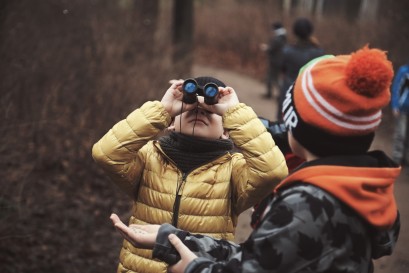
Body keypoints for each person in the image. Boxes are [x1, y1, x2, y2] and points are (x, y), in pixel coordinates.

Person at [110, 47, 401, 273]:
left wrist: (194, 266)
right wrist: (174, 238)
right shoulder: (357, 190)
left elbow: (271, 174)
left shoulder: (304, 201)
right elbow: (107, 154)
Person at [92, 76, 288, 273]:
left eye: (210, 112)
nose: (200, 111)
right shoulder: (148, 158)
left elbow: (272, 170)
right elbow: (107, 153)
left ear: (226, 132)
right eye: (190, 108)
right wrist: (163, 110)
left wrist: (234, 113)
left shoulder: (234, 171)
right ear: (170, 122)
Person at [276, 17, 324, 121]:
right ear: (310, 32)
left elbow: (281, 69)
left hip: (288, 92)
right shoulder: (319, 52)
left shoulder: (287, 51)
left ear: (295, 32)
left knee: (281, 125)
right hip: (308, 95)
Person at [260, 21, 287, 99]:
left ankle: (272, 94)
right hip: (280, 61)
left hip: (275, 61)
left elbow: (272, 48)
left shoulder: (278, 38)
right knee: (276, 78)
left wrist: (266, 48)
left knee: (272, 78)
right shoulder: (284, 37)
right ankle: (279, 94)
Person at [391, 62, 409, 165]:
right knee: (400, 134)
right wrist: (395, 105)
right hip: (402, 108)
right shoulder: (404, 70)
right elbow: (396, 88)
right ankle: (397, 158)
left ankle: (405, 158)